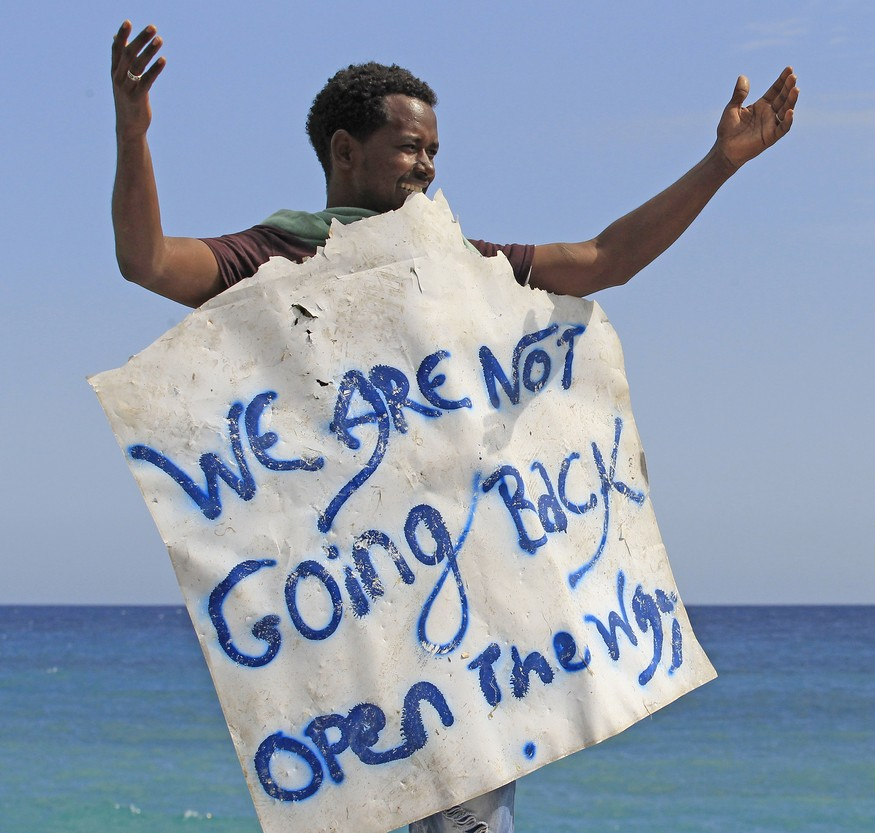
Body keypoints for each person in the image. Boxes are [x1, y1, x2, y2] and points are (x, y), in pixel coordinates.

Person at [110, 18, 798, 833]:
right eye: (408, 148)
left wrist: (720, 163)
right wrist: (133, 132)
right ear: (343, 151)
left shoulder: (458, 269)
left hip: (460, 619)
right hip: (347, 618)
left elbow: (604, 257)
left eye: (434, 151)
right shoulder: (278, 258)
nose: (428, 168)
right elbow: (148, 260)